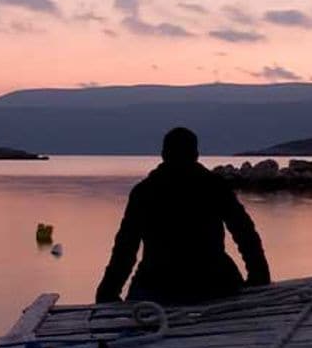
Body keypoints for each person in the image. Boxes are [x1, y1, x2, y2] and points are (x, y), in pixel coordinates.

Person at [95, 126, 270, 304]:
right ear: (196, 154)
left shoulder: (145, 191)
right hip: (214, 282)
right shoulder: (215, 186)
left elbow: (125, 248)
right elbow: (245, 233)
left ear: (163, 154)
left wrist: (108, 291)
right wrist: (259, 276)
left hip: (158, 283)